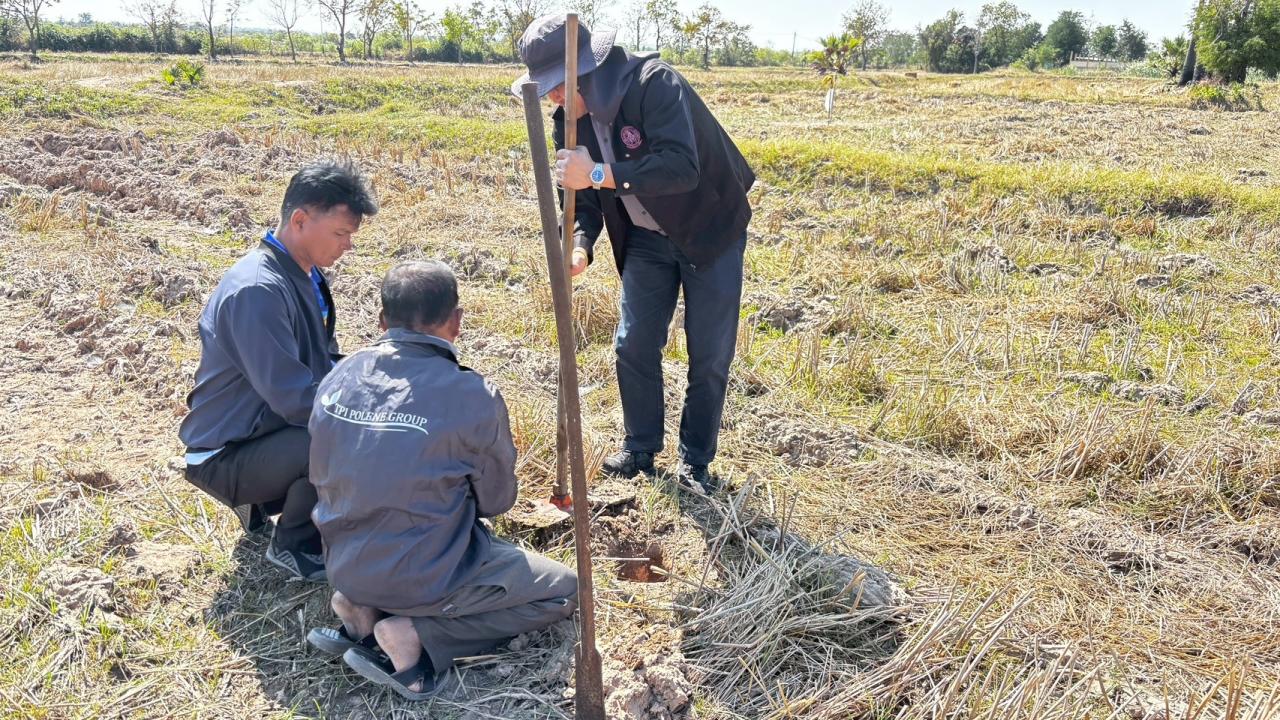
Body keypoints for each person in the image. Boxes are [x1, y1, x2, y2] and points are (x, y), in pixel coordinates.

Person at [305, 261, 578, 700]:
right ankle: (413, 635)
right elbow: (496, 500)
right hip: (424, 577)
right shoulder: (471, 395)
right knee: (564, 589)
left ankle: (359, 607)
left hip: (343, 563)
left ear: (381, 320)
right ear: (456, 321)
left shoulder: (339, 375)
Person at [513, 14, 756, 493]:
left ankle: (695, 460)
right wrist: (578, 246)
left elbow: (681, 167)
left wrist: (600, 173)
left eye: (557, 86)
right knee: (633, 344)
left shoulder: (654, 84)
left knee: (708, 355)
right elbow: (578, 202)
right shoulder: (568, 122)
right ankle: (642, 446)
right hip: (645, 237)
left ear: (586, 71)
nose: (553, 99)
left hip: (709, 229)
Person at [178, 159, 378, 583]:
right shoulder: (258, 290)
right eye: (340, 233)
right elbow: (294, 399)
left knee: (348, 421)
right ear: (301, 220)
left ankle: (267, 497)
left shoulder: (303, 274)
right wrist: (363, 419)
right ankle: (294, 544)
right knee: (334, 437)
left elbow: (322, 361)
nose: (347, 245)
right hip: (223, 451)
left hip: (257, 430)